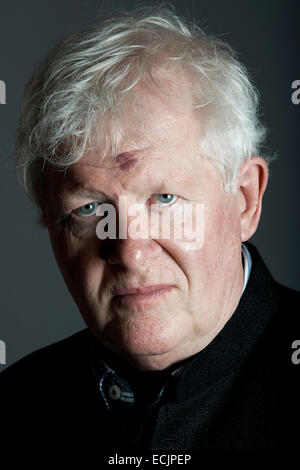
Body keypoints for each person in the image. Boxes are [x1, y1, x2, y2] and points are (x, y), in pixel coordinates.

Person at [1, 6, 299, 455]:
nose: (130, 251)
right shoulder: (13, 407)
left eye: (164, 199)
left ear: (245, 200)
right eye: (90, 209)